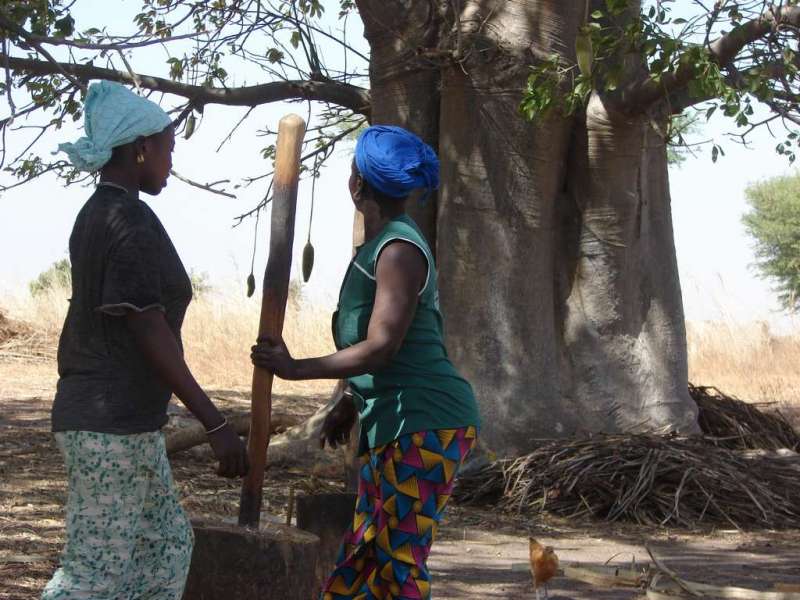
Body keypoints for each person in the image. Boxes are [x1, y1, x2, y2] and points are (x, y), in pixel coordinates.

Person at [251, 125, 481, 600]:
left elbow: (382, 346)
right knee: (364, 561)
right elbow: (382, 357)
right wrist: (352, 401)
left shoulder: (398, 251)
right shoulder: (382, 248)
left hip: (425, 422)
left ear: (358, 184)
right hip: (397, 423)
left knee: (397, 562)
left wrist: (296, 369)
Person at [43, 80, 249, 600]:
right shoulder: (124, 219)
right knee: (93, 571)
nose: (170, 163)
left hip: (125, 421)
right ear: (140, 149)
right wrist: (216, 422)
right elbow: (149, 328)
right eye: (168, 150)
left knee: (164, 547)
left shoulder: (100, 212)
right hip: (107, 422)